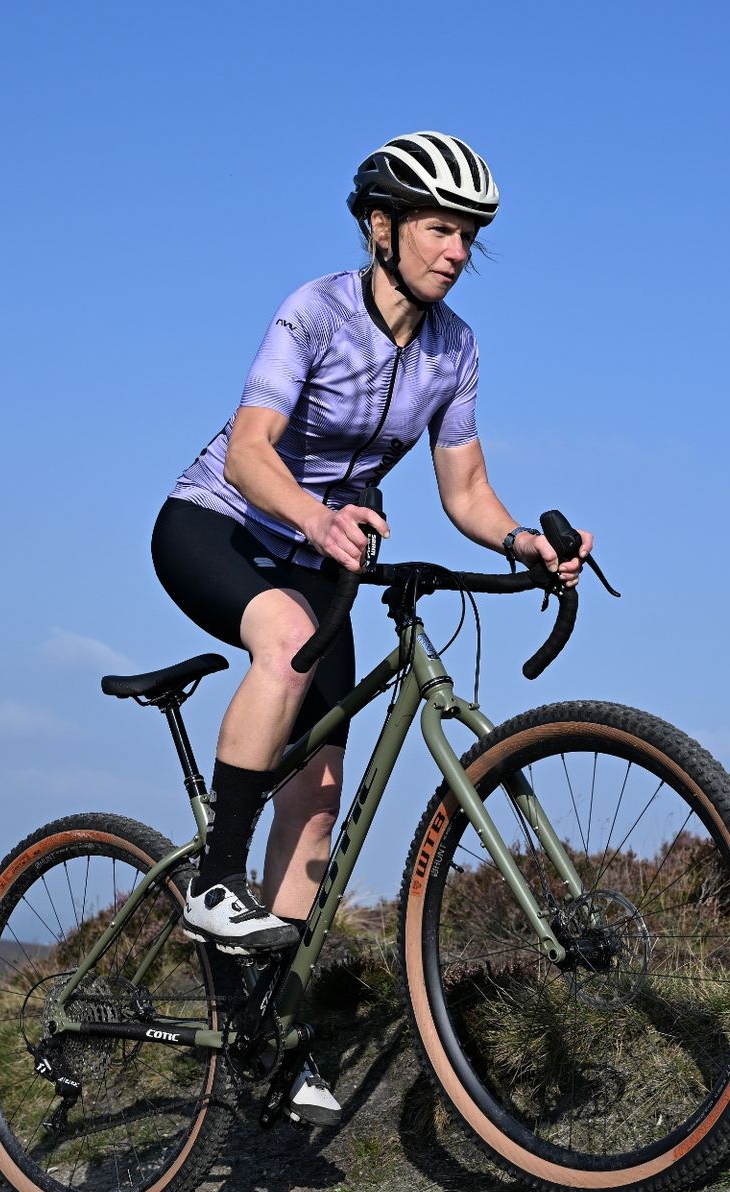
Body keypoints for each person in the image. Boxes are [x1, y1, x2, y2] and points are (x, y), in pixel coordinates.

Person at [150, 131, 592, 1125]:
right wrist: (317, 516)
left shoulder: (456, 349)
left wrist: (524, 539)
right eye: (441, 229)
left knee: (320, 788)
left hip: (325, 557)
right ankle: (215, 882)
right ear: (382, 228)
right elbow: (255, 450)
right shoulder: (313, 313)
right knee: (279, 641)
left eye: (470, 235)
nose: (457, 251)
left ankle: (265, 1020)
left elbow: (465, 488)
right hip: (219, 525)